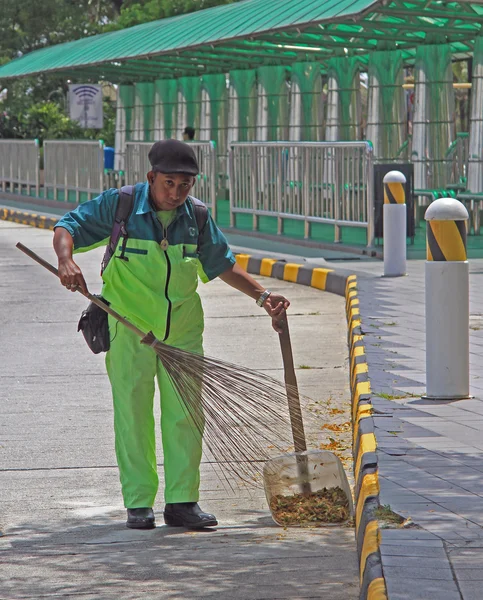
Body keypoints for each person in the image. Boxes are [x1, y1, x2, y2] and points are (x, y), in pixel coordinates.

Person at [53, 139, 290, 531]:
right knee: (134, 414)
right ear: (151, 178)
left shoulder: (195, 217)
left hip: (181, 330)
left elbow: (222, 264)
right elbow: (68, 226)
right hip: (127, 327)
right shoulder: (122, 206)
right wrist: (65, 259)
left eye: (185, 185)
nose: (176, 193)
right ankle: (139, 502)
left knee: (185, 416)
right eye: (169, 184)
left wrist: (263, 296)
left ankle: (182, 502)